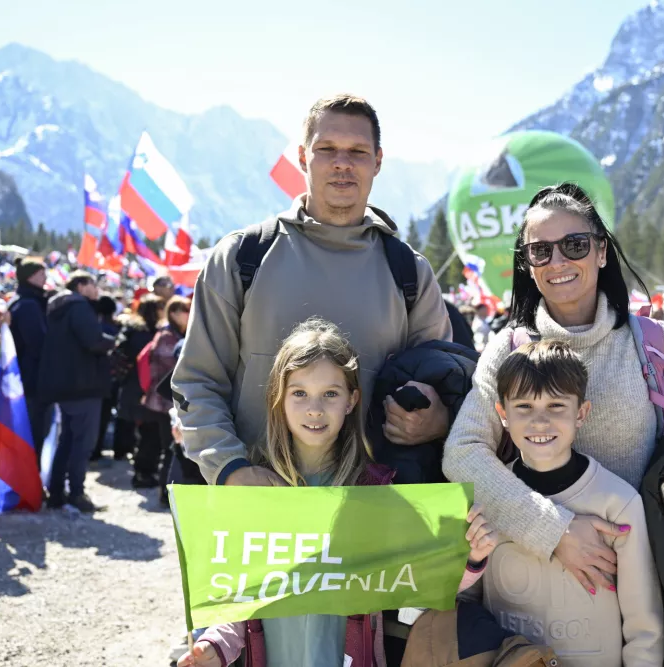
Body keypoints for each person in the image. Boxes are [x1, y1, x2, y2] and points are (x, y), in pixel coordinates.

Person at [176, 319, 496, 667]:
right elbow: (238, 598)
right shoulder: (253, 491)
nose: (315, 408)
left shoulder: (375, 491)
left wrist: (472, 557)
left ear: (351, 400)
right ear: (278, 398)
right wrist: (214, 646)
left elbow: (418, 580)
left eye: (330, 393)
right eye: (299, 393)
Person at [172, 94, 452, 490]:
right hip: (257, 506)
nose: (342, 162)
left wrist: (437, 419)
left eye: (357, 151)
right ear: (303, 158)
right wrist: (230, 468)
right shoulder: (241, 258)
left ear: (378, 161)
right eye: (327, 149)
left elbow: (442, 387)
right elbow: (198, 380)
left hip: (372, 509)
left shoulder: (409, 273)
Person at [442, 183, 664, 596]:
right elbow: (463, 452)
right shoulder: (508, 350)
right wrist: (553, 530)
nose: (557, 260)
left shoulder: (656, 345)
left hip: (642, 573)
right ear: (527, 264)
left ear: (601, 251)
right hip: (532, 577)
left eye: (574, 244)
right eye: (540, 251)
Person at [462, 339, 663, 665]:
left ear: (581, 412)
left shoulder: (618, 502)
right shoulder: (488, 495)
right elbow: (467, 598)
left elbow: (644, 623)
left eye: (556, 406)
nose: (540, 422)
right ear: (502, 413)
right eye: (524, 406)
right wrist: (470, 562)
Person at [38, 271, 115, 513]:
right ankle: (77, 494)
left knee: (67, 441)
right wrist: (112, 341)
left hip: (63, 385)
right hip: (84, 385)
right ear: (81, 286)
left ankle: (57, 492)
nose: (97, 290)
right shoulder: (80, 307)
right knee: (83, 443)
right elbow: (93, 341)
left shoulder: (55, 307)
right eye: (93, 284)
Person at [140, 296, 190, 505]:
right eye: (186, 310)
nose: (190, 314)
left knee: (173, 448)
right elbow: (175, 373)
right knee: (170, 449)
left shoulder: (175, 335)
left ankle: (168, 492)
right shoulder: (168, 337)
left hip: (171, 401)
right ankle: (166, 494)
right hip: (166, 403)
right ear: (175, 313)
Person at [114, 295, 163, 484]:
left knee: (141, 430)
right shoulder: (151, 334)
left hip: (132, 386)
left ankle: (140, 470)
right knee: (149, 432)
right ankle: (143, 473)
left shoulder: (131, 330)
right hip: (146, 387)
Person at [8, 256, 51, 468]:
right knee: (33, 434)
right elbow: (38, 344)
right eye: (41, 273)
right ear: (30, 276)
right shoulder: (28, 305)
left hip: (24, 378)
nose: (45, 278)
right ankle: (30, 484)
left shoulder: (23, 301)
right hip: (32, 379)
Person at [91, 295, 121, 462]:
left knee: (99, 416)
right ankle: (99, 447)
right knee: (104, 416)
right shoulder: (115, 328)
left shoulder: (96, 328)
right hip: (112, 379)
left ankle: (95, 449)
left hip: (98, 378)